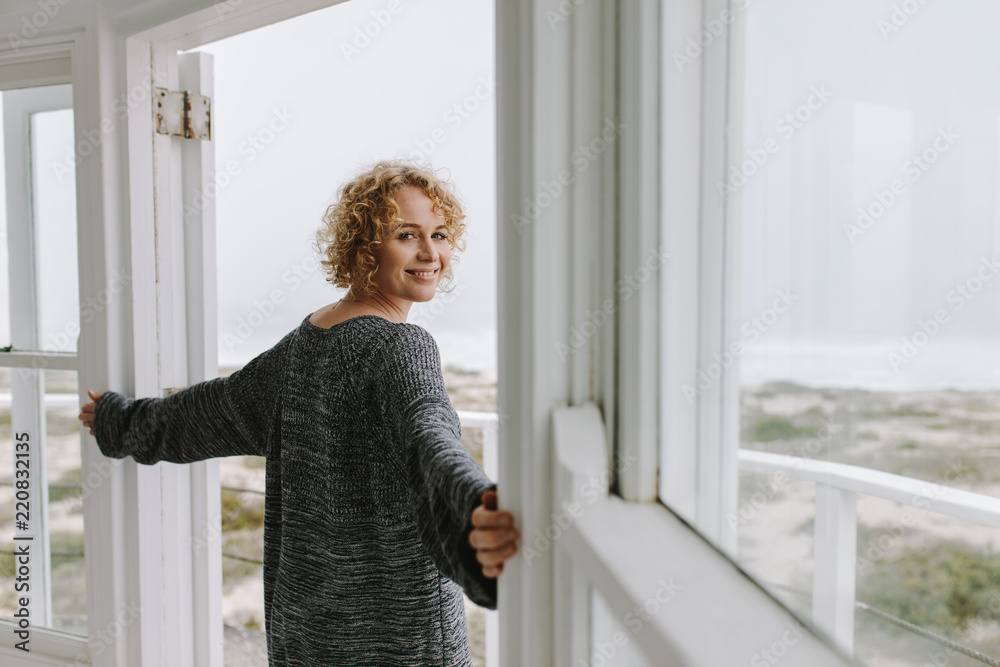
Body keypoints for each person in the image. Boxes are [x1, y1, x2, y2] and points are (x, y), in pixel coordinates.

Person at [78, 161, 519, 666]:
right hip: (397, 639)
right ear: (364, 246)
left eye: (439, 235)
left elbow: (208, 411)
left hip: (306, 631)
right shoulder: (403, 346)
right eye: (406, 234)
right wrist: (475, 511)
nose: (431, 253)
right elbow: (431, 435)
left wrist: (118, 420)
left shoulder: (306, 340)